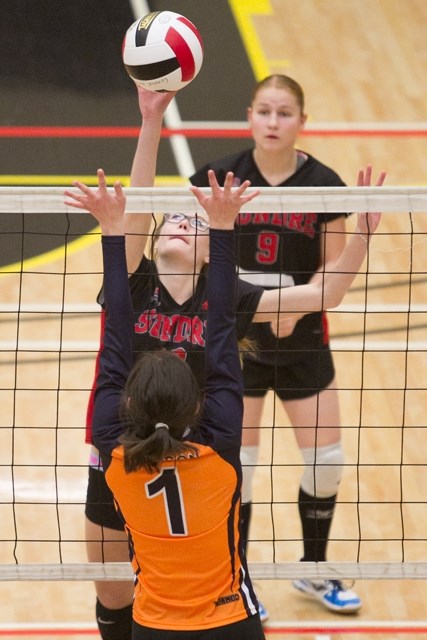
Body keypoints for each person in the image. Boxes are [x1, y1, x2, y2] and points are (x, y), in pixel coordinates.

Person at [79, 86, 384, 640]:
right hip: (122, 447)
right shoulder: (134, 279)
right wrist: (151, 120)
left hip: (193, 458)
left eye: (193, 223)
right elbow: (138, 205)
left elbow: (326, 295)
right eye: (171, 217)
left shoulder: (230, 296)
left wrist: (360, 235)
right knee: (112, 587)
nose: (177, 221)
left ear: (207, 252)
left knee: (187, 590)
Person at [190, 74, 387, 615]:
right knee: (241, 466)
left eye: (285, 113)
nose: (274, 122)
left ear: (303, 121)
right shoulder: (219, 178)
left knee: (327, 460)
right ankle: (240, 576)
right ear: (249, 116)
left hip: (303, 347)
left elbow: (332, 277)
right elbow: (198, 263)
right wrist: (260, 306)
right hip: (236, 348)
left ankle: (314, 570)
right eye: (264, 112)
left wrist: (295, 305)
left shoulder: (324, 183)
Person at [65, 168, 266, 638]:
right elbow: (220, 340)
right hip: (228, 620)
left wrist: (113, 234)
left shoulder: (112, 449)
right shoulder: (222, 452)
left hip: (153, 624)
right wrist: (223, 229)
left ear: (127, 399)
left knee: (116, 590)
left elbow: (115, 342)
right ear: (196, 406)